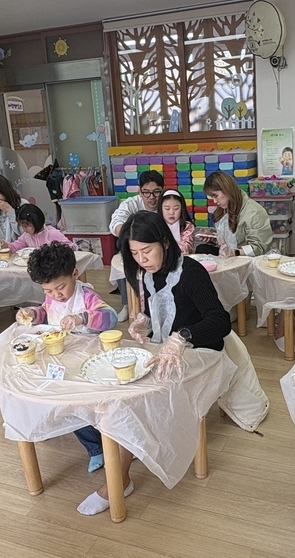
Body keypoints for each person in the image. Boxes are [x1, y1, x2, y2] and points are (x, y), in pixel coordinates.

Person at [76, 211, 257, 516]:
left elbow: (220, 322)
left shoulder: (191, 272)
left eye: (147, 250)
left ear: (165, 241)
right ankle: (127, 450)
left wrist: (183, 336)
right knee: (124, 387)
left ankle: (118, 480)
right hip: (167, 348)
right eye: (135, 253)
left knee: (135, 400)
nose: (142, 259)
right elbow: (159, 308)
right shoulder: (146, 273)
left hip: (203, 354)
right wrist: (143, 322)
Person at [16, 242, 118, 473]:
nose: (56, 295)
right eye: (48, 291)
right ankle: (95, 446)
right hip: (63, 358)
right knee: (64, 402)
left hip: (90, 360)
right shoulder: (53, 298)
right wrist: (33, 313)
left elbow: (110, 317)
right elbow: (47, 313)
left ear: (75, 274)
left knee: (87, 405)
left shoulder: (86, 296)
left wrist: (82, 318)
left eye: (61, 287)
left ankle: (109, 444)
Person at [108, 170, 165, 322]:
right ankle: (127, 304)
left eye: (156, 192)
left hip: (161, 248)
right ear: (140, 191)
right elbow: (116, 222)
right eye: (146, 192)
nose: (151, 197)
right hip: (136, 246)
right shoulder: (131, 204)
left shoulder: (167, 202)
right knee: (123, 255)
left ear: (163, 190)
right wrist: (132, 237)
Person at [197, 171, 273, 257]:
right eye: (212, 197)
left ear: (227, 190)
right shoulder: (223, 208)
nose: (214, 201)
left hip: (246, 258)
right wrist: (212, 237)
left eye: (216, 196)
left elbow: (259, 248)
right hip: (229, 254)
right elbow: (227, 238)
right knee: (202, 249)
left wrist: (234, 253)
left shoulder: (254, 212)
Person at [0, 203, 73, 253]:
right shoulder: (27, 236)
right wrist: (5, 245)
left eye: (26, 226)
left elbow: (71, 248)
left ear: (36, 221)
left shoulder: (52, 233)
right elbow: (15, 247)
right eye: (22, 226)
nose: (24, 229)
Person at [157, 189, 195, 255]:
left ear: (182, 209)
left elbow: (186, 248)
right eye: (167, 208)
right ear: (161, 208)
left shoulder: (187, 226)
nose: (171, 212)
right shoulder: (156, 225)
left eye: (176, 208)